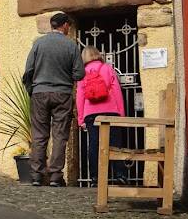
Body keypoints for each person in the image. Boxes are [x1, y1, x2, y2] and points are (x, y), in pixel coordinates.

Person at [23, 12, 84, 187]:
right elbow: (79, 74)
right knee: (59, 136)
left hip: (40, 93)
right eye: (68, 26)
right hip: (62, 94)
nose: (69, 28)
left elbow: (28, 71)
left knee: (39, 135)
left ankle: (36, 175)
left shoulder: (38, 44)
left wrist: (32, 91)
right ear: (64, 25)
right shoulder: (71, 46)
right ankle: (55, 176)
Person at [76, 45, 127, 187]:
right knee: (115, 144)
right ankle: (119, 174)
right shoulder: (107, 68)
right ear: (97, 54)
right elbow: (117, 91)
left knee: (94, 145)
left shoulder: (82, 73)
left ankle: (95, 178)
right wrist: (121, 114)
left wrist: (81, 119)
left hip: (91, 114)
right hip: (111, 112)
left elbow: (80, 96)